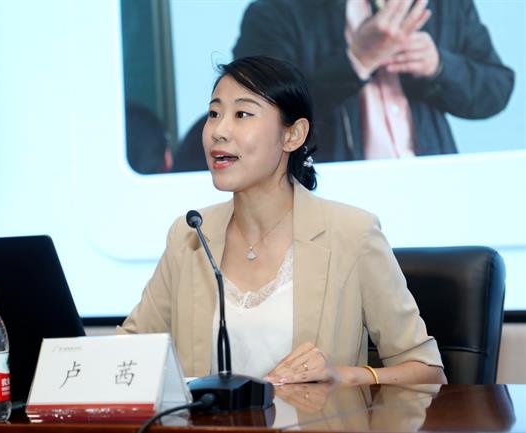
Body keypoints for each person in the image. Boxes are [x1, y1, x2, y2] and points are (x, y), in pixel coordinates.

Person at [119, 56, 447, 385]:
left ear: (293, 135)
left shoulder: (352, 234)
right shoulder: (189, 235)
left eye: (242, 114)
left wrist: (338, 376)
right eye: (214, 114)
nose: (218, 131)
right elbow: (128, 352)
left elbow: (428, 371)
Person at [233, 0, 515, 162]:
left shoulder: (445, 5)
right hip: (331, 201)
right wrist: (356, 60)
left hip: (435, 189)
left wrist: (439, 65)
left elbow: (496, 89)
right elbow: (258, 117)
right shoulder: (274, 13)